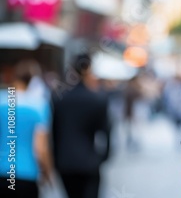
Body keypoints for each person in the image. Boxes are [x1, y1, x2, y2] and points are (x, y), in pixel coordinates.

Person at [51, 53, 111, 198]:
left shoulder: (60, 99)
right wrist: (103, 157)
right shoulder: (97, 99)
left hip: (65, 163)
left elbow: (54, 132)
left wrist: (56, 160)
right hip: (88, 162)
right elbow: (107, 132)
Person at [0, 60, 53, 198]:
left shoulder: (1, 101)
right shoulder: (38, 105)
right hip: (27, 173)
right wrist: (47, 173)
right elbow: (40, 148)